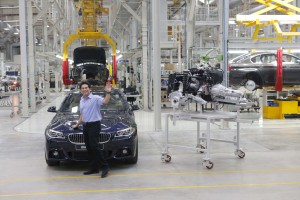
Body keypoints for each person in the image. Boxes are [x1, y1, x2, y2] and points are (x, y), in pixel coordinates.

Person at [71, 81, 112, 178]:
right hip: (85, 126)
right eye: (83, 88)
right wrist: (77, 124)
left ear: (90, 89)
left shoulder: (95, 98)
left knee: (95, 146)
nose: (84, 89)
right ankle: (94, 168)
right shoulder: (81, 100)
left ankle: (105, 166)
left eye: (86, 87)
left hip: (94, 125)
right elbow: (83, 114)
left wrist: (108, 92)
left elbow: (105, 102)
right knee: (89, 147)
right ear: (80, 90)